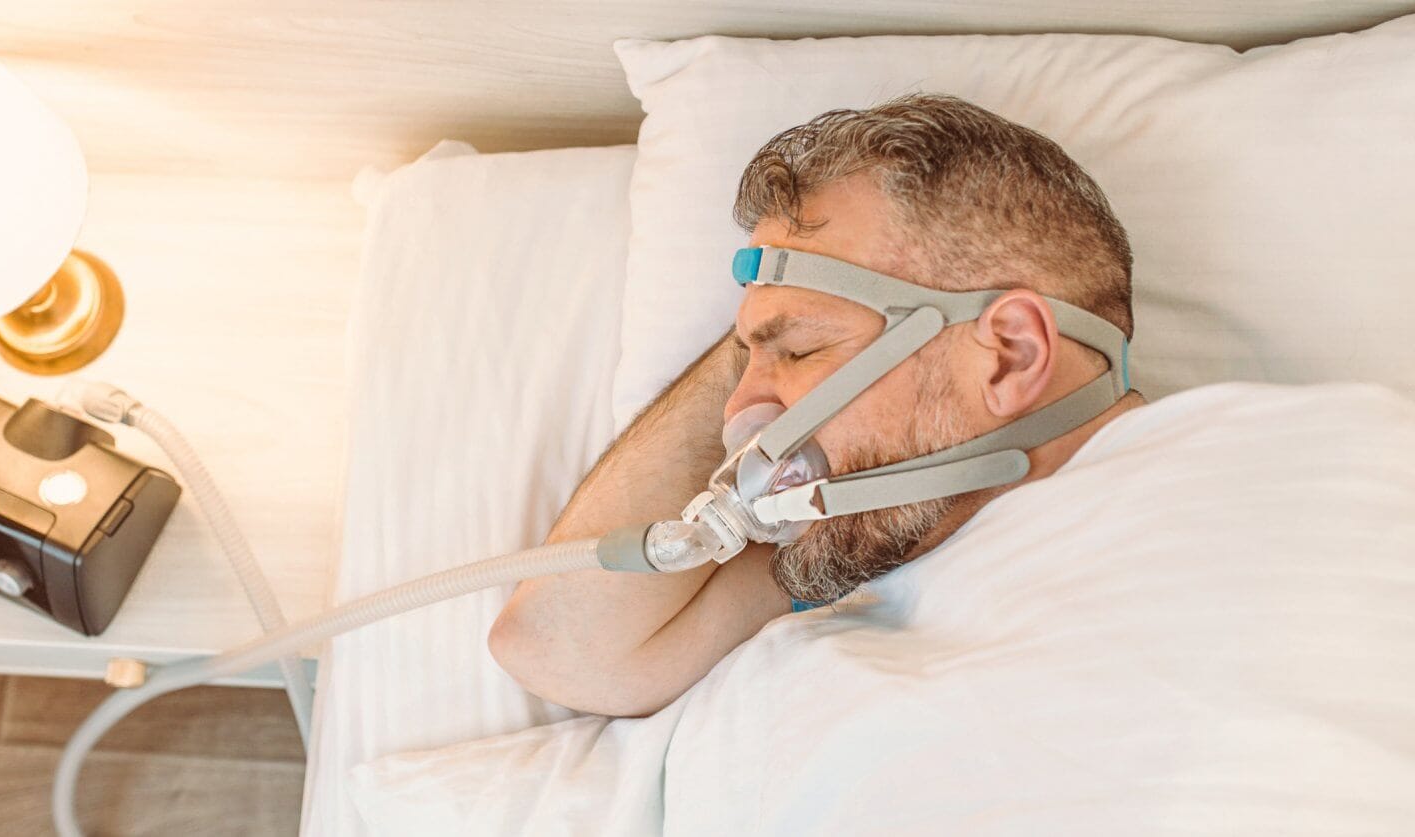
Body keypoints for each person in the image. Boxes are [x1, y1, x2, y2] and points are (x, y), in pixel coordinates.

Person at [489, 93, 1145, 717]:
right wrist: (771, 325)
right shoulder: (877, 539)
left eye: (801, 350)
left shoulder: (1220, 497)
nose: (738, 412)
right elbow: (558, 645)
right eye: (747, 362)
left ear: (1011, 353)